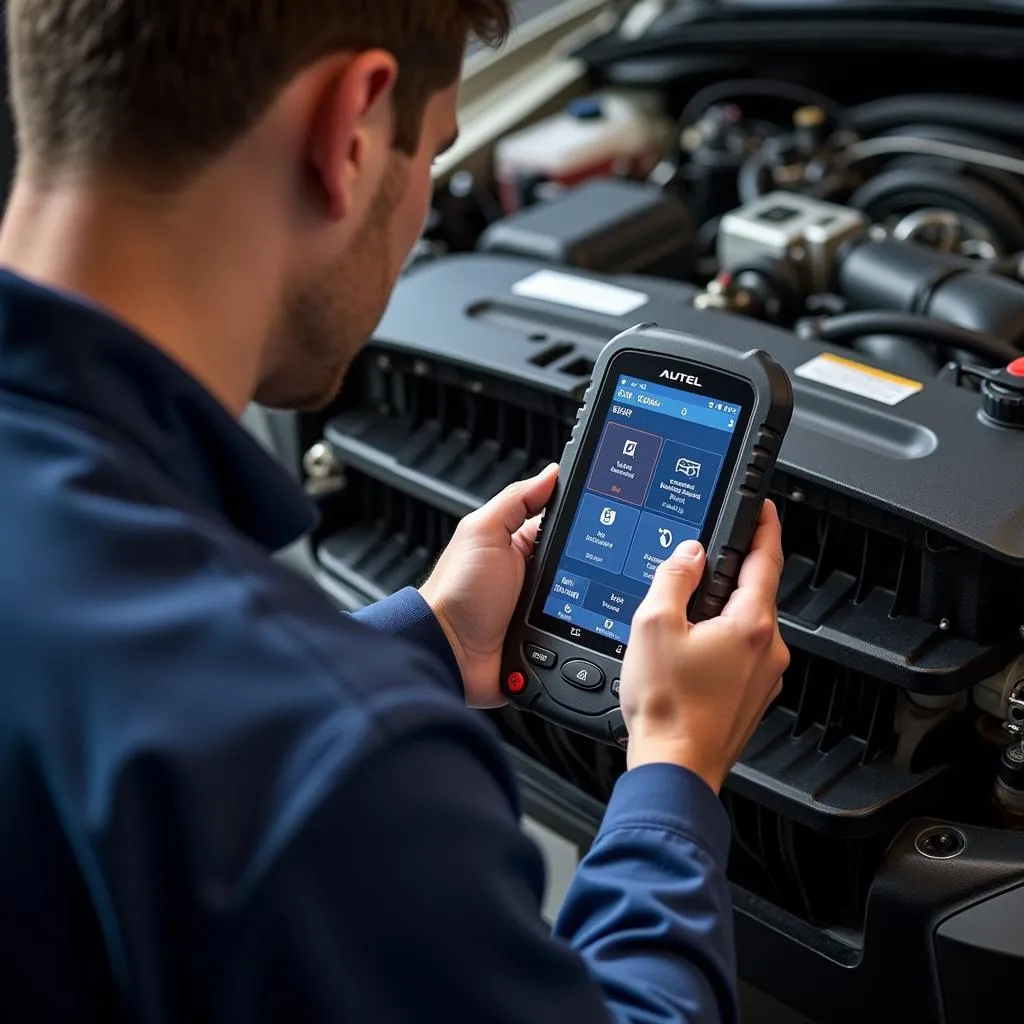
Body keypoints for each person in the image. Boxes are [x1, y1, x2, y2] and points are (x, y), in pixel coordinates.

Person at [0, 2, 790, 1021]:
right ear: (353, 127)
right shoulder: (336, 765)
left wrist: (421, 640)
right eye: (437, 155)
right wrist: (674, 772)